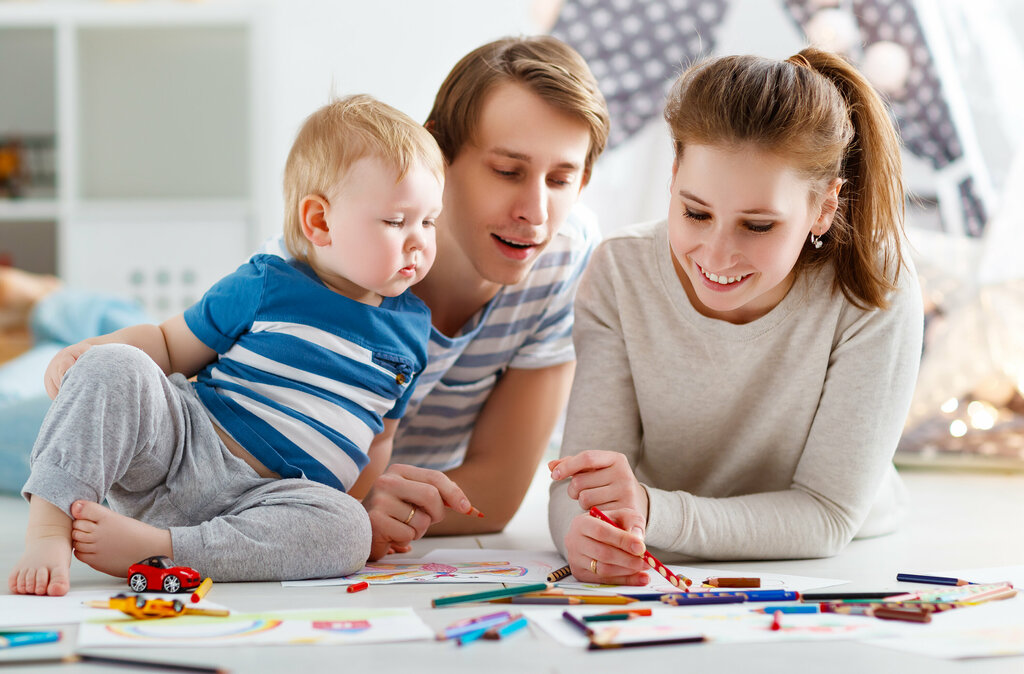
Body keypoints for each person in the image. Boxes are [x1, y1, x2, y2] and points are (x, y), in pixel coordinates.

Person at [0, 35, 610, 559]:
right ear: (439, 161)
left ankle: (52, 303)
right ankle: (51, 308)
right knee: (87, 385)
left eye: (562, 180)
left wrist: (360, 504)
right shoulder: (328, 256)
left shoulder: (564, 257)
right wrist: (103, 362)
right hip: (199, 425)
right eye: (507, 171)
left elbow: (498, 493)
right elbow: (176, 349)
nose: (536, 211)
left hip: (304, 487)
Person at [8, 94, 445, 595]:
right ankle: (48, 527)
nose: (419, 242)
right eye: (396, 222)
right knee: (116, 363)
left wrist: (362, 514)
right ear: (319, 222)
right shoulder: (269, 284)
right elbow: (168, 345)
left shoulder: (413, 332)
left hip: (277, 500)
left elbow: (379, 439)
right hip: (184, 449)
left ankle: (161, 547)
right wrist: (100, 352)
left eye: (429, 221)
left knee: (348, 530)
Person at [548, 48, 924, 585]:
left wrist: (653, 512)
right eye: (695, 212)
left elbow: (827, 515)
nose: (717, 256)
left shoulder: (874, 287)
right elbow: (577, 485)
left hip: (839, 570)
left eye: (758, 226)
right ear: (674, 176)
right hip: (667, 560)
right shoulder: (620, 271)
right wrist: (585, 530)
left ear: (824, 206)